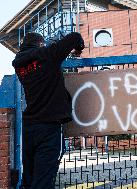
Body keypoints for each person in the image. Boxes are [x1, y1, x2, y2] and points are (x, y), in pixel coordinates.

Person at [12, 32, 84, 189]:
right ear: (40, 44)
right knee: (44, 178)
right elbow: (75, 36)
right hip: (49, 126)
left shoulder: (19, 65)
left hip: (29, 127)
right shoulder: (47, 54)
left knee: (29, 178)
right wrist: (78, 49)